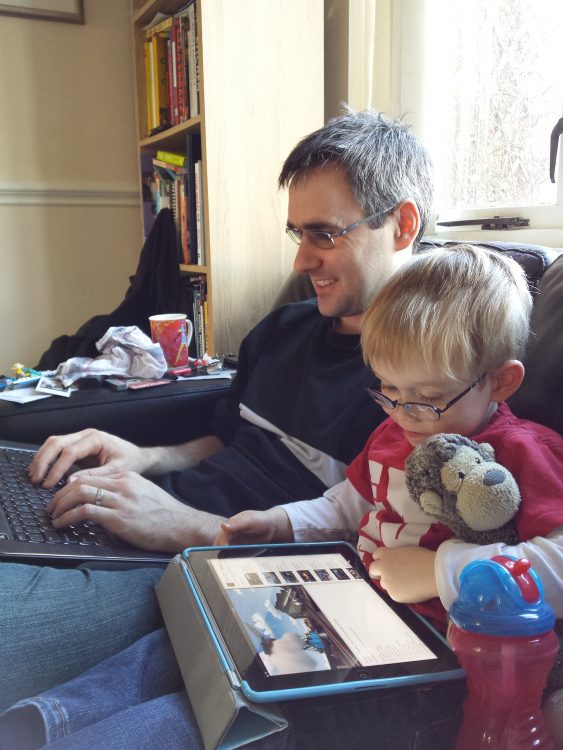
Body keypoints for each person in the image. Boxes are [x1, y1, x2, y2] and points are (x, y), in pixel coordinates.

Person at [2, 244, 561, 750]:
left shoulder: (524, 453)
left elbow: (556, 562)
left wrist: (440, 571)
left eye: (425, 398)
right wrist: (280, 522)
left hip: (425, 672)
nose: (402, 414)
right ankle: (34, 726)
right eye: (388, 390)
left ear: (500, 381)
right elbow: (346, 504)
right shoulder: (396, 430)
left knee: (202, 715)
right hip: (341, 612)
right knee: (187, 643)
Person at [0, 109, 434, 710]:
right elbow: (227, 440)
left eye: (324, 235)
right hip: (144, 521)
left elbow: (371, 575)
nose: (300, 262)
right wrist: (145, 457)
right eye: (298, 235)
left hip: (215, 569)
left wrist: (190, 528)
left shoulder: (423, 392)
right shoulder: (282, 329)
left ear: (402, 225)